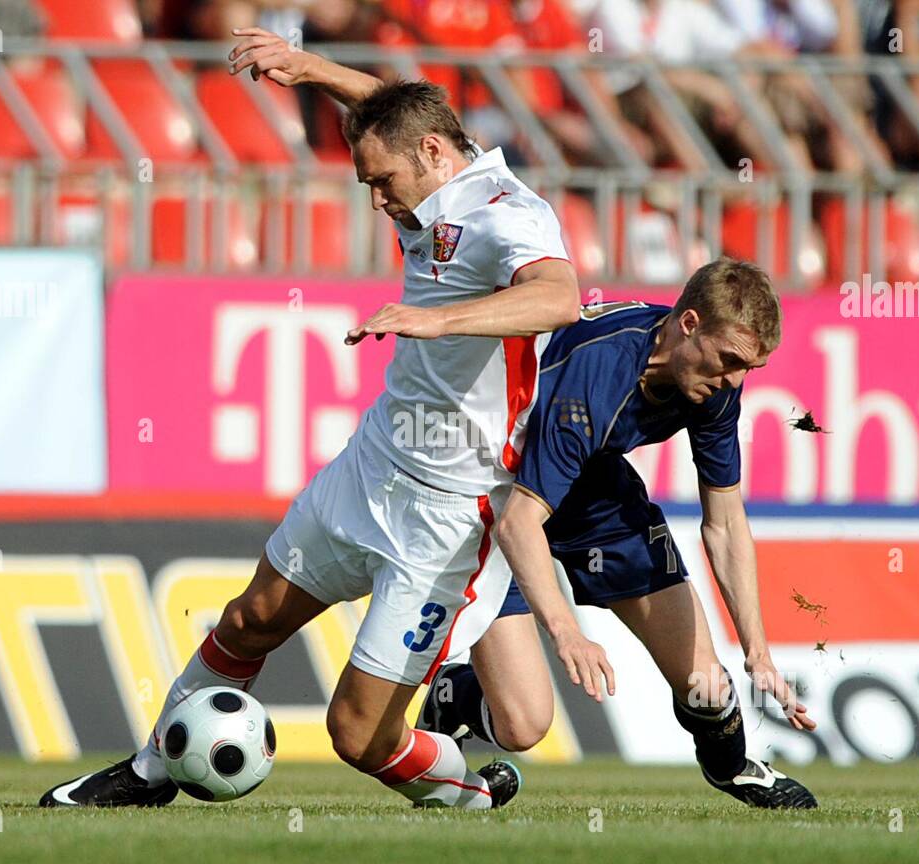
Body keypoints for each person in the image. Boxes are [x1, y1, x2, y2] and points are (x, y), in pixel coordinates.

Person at [40, 28, 581, 810]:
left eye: (382, 181)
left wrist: (438, 320)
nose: (377, 199)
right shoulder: (429, 161)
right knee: (250, 618)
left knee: (359, 737)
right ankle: (153, 769)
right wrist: (308, 69)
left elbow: (559, 296)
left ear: (433, 154)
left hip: (451, 512)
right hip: (373, 467)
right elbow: (393, 107)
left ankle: (470, 791)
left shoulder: (508, 214)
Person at [419, 259, 819, 808]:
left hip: (591, 487)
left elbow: (725, 523)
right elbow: (519, 522)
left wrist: (758, 651)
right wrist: (567, 631)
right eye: (728, 361)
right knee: (524, 725)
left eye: (748, 369)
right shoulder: (596, 378)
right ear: (689, 324)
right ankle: (450, 698)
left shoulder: (716, 386)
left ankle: (733, 770)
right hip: (500, 483)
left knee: (709, 688)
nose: (733, 381)